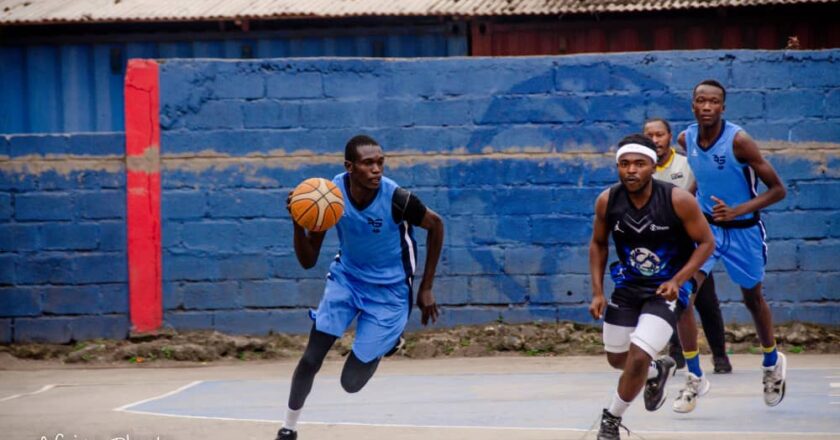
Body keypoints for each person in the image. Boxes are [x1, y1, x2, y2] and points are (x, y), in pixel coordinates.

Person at [276, 135, 445, 439]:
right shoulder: (330, 196)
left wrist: (426, 287)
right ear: (349, 167)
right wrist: (296, 222)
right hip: (347, 279)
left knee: (350, 383)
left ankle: (387, 341)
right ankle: (288, 428)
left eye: (380, 162)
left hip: (390, 292)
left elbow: (437, 225)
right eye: (368, 163)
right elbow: (308, 260)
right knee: (311, 357)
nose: (377, 169)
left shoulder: (398, 199)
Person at [672, 79, 788, 414]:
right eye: (700, 101)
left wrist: (737, 209)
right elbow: (701, 176)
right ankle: (694, 377)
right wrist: (687, 203)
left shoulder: (739, 141)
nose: (706, 107)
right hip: (707, 231)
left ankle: (771, 363)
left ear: (723, 107)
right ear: (692, 105)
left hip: (744, 231)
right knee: (683, 298)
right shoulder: (686, 138)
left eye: (713, 102)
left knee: (752, 298)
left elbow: (778, 190)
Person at [589, 134, 715, 439]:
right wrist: (597, 291)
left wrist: (678, 280)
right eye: (625, 164)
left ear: (653, 165)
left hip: (667, 290)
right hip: (629, 287)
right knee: (618, 359)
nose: (631, 170)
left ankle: (611, 420)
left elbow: (707, 243)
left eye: (639, 164)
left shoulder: (677, 200)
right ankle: (659, 370)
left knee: (638, 356)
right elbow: (598, 243)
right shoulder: (608, 200)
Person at [643, 118, 732, 374]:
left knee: (705, 301)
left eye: (659, 134)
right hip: (661, 248)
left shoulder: (686, 164)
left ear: (669, 137)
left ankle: (720, 356)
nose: (655, 140)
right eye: (650, 135)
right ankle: (676, 354)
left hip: (692, 244)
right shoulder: (642, 168)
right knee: (671, 298)